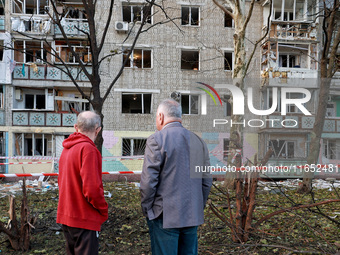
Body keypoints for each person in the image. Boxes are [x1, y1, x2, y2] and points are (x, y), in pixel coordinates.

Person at [140, 99, 212, 255]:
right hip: (192, 214)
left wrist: (147, 210)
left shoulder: (156, 139)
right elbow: (206, 181)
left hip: (165, 215)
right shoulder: (199, 141)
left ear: (160, 117)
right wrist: (198, 206)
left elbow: (148, 182)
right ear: (180, 117)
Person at [57, 111, 108, 255]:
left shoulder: (66, 149)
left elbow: (62, 183)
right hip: (84, 218)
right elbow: (92, 189)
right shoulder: (89, 150)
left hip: (67, 216)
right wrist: (103, 210)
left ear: (76, 127)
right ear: (98, 130)